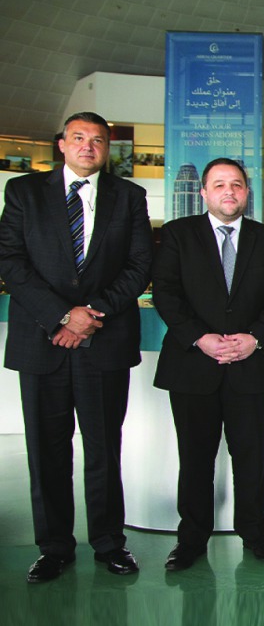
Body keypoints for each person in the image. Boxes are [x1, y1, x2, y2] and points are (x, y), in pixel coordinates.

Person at [0, 112, 152, 582]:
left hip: (102, 342)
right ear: (62, 144)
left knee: (104, 448)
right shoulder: (24, 193)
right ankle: (54, 547)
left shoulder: (129, 197)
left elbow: (138, 264)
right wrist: (63, 316)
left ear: (108, 150)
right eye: (79, 138)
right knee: (47, 450)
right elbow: (10, 259)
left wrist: (91, 316)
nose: (89, 146)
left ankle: (109, 544)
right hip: (42, 340)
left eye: (99, 140)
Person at [152, 158, 264, 570]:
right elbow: (165, 292)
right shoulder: (178, 235)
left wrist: (256, 338)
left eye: (236, 185)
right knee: (194, 457)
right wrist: (199, 337)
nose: (228, 192)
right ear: (204, 193)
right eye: (219, 185)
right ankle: (192, 538)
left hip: (251, 365)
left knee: (250, 455)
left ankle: (255, 532)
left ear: (247, 193)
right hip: (193, 366)